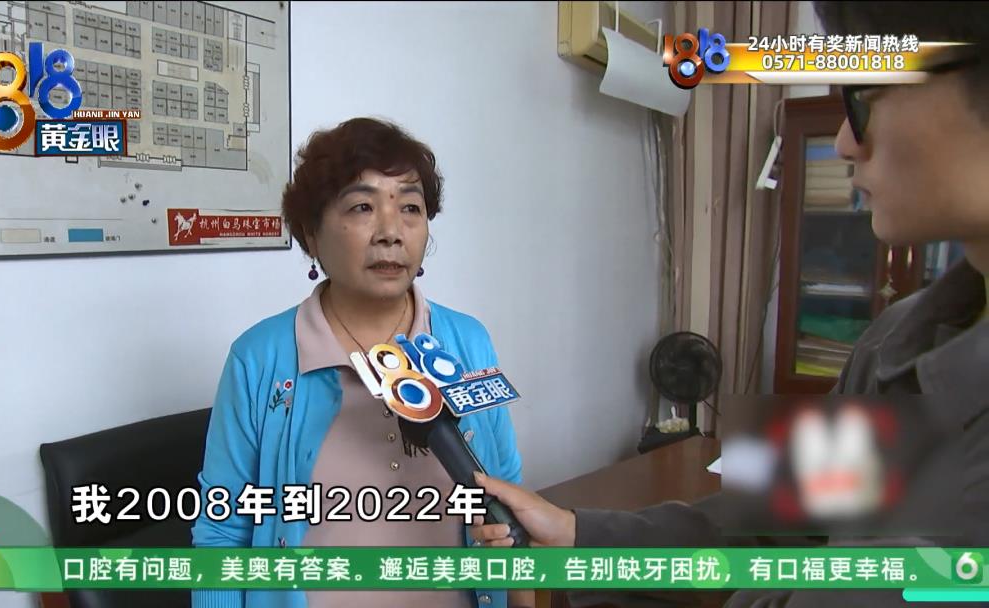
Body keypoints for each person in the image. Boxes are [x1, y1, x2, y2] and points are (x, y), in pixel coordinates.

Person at [470, 3, 989, 606]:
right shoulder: (894, 339)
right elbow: (773, 516)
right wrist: (580, 535)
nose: (846, 141)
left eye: (864, 95)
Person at [192, 117, 530, 608]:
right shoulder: (259, 359)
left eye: (410, 207)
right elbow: (222, 536)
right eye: (362, 207)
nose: (391, 232)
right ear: (311, 234)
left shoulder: (467, 342)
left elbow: (509, 501)